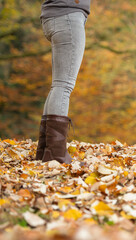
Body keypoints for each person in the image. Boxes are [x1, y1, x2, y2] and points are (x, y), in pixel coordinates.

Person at [35, 0, 91, 163]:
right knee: (63, 86)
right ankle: (56, 155)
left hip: (54, 16)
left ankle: (45, 152)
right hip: (67, 16)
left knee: (58, 85)